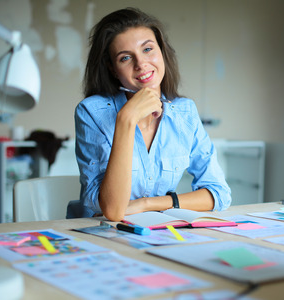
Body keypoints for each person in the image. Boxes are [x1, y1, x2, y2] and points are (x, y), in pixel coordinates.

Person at [74, 7, 231, 221]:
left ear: (162, 51)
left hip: (157, 231)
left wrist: (147, 204)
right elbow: (112, 211)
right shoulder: (92, 112)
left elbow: (219, 194)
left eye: (147, 49)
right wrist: (126, 119)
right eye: (125, 58)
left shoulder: (184, 112)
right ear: (112, 69)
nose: (141, 64)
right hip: (100, 235)